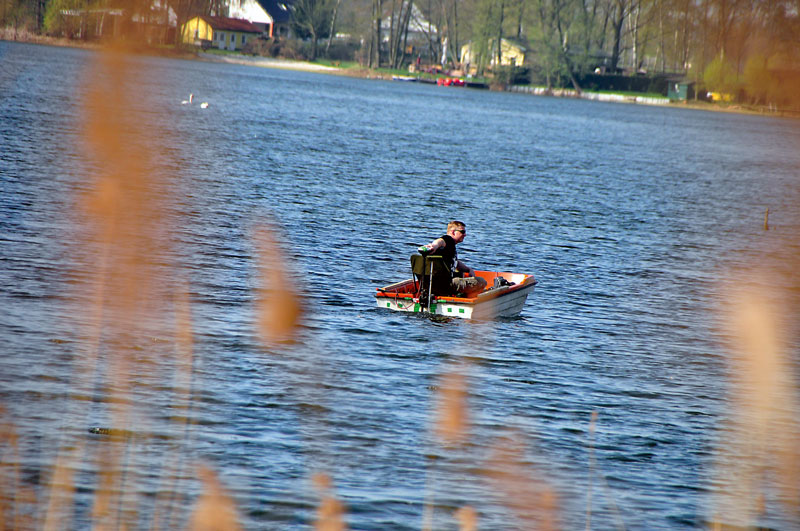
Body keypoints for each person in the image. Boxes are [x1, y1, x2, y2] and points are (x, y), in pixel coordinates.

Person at [418, 220, 487, 296]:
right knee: (482, 282)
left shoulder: (448, 249)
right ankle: (465, 298)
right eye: (462, 232)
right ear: (453, 232)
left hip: (431, 286)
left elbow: (456, 262)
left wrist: (468, 269)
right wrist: (433, 246)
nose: (465, 235)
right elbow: (440, 241)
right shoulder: (448, 240)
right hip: (447, 285)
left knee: (460, 273)